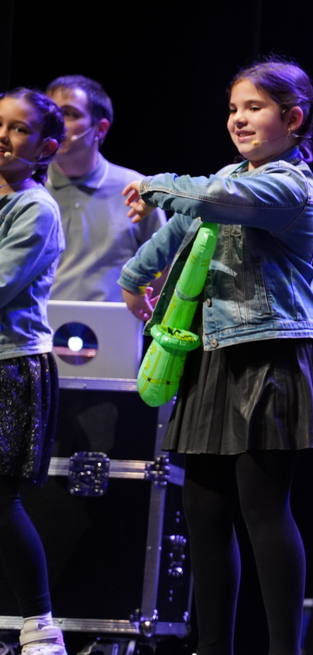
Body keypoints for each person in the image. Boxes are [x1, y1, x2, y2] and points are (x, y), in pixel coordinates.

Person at [118, 60, 313, 655]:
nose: (238, 119)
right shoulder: (230, 175)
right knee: (203, 508)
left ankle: (284, 649)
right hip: (213, 353)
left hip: (270, 352)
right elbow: (177, 231)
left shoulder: (289, 185)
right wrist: (134, 277)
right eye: (234, 108)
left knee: (262, 508)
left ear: (293, 119)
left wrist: (155, 185)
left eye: (253, 108)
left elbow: (213, 201)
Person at [0, 88, 67, 655]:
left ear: (45, 148)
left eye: (19, 129)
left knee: (0, 499)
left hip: (10, 368)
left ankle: (39, 625)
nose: (3, 136)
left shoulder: (35, 209)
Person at [45, 75, 166, 302]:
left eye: (69, 114)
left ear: (100, 128)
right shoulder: (27, 188)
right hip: (37, 323)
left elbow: (163, 270)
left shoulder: (137, 189)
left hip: (113, 322)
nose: (56, 123)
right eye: (51, 113)